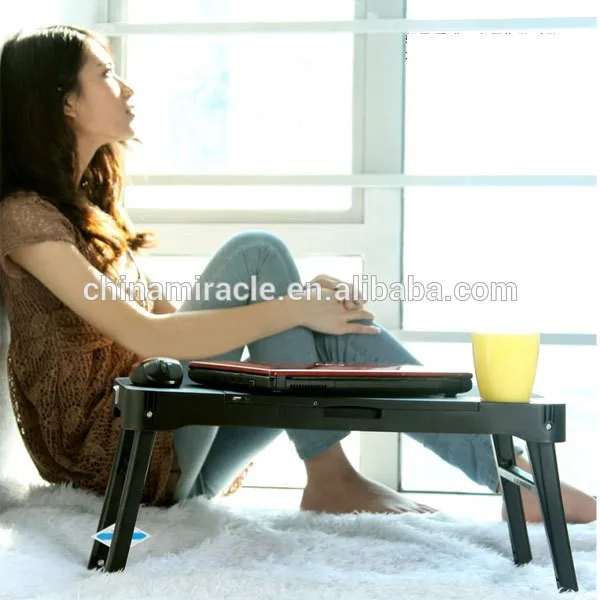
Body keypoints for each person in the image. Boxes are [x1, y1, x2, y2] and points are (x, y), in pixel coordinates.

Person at [0, 25, 595, 523]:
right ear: (65, 101)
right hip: (117, 456)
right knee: (258, 254)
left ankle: (502, 476)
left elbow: (168, 320)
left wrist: (300, 309)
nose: (127, 87)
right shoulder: (24, 217)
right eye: (106, 73)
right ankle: (345, 475)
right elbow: (146, 335)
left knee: (314, 324)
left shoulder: (93, 210)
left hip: (177, 452)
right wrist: (292, 305)